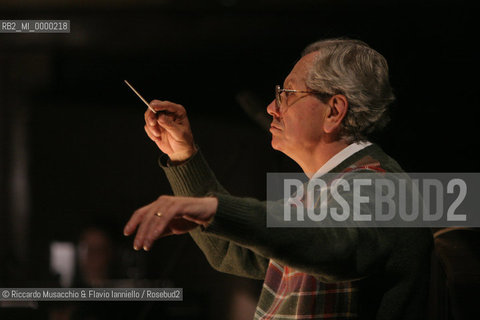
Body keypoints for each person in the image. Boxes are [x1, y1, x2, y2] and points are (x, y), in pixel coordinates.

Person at [123, 38, 432, 319]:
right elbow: (232, 251)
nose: (272, 107)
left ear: (334, 111)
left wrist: (215, 209)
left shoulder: (383, 188)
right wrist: (183, 155)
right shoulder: (324, 191)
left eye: (287, 94)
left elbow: (330, 243)